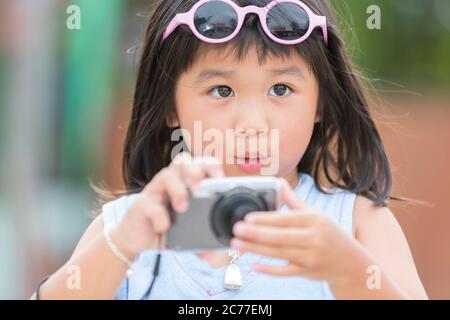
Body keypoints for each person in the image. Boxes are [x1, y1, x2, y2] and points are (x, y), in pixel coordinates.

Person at [32, 0, 428, 299]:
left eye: (281, 89)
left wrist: (347, 269)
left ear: (322, 102)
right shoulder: (127, 226)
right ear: (170, 107)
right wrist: (120, 246)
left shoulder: (357, 223)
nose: (253, 123)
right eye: (221, 90)